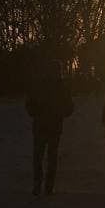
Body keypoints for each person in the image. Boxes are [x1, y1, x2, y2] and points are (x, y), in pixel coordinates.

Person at [25, 59, 74, 196]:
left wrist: (36, 114)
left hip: (40, 125)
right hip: (55, 126)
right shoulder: (62, 86)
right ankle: (49, 186)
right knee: (52, 157)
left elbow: (29, 104)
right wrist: (61, 113)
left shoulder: (38, 85)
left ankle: (38, 184)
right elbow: (70, 108)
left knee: (38, 157)